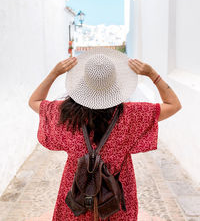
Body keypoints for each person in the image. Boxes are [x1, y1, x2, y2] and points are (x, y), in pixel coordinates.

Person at [28, 47, 182, 221]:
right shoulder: (132, 115)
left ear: (82, 84)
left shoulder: (64, 114)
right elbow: (173, 104)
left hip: (77, 195)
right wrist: (153, 74)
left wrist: (54, 73)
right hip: (115, 199)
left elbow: (34, 101)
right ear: (115, 84)